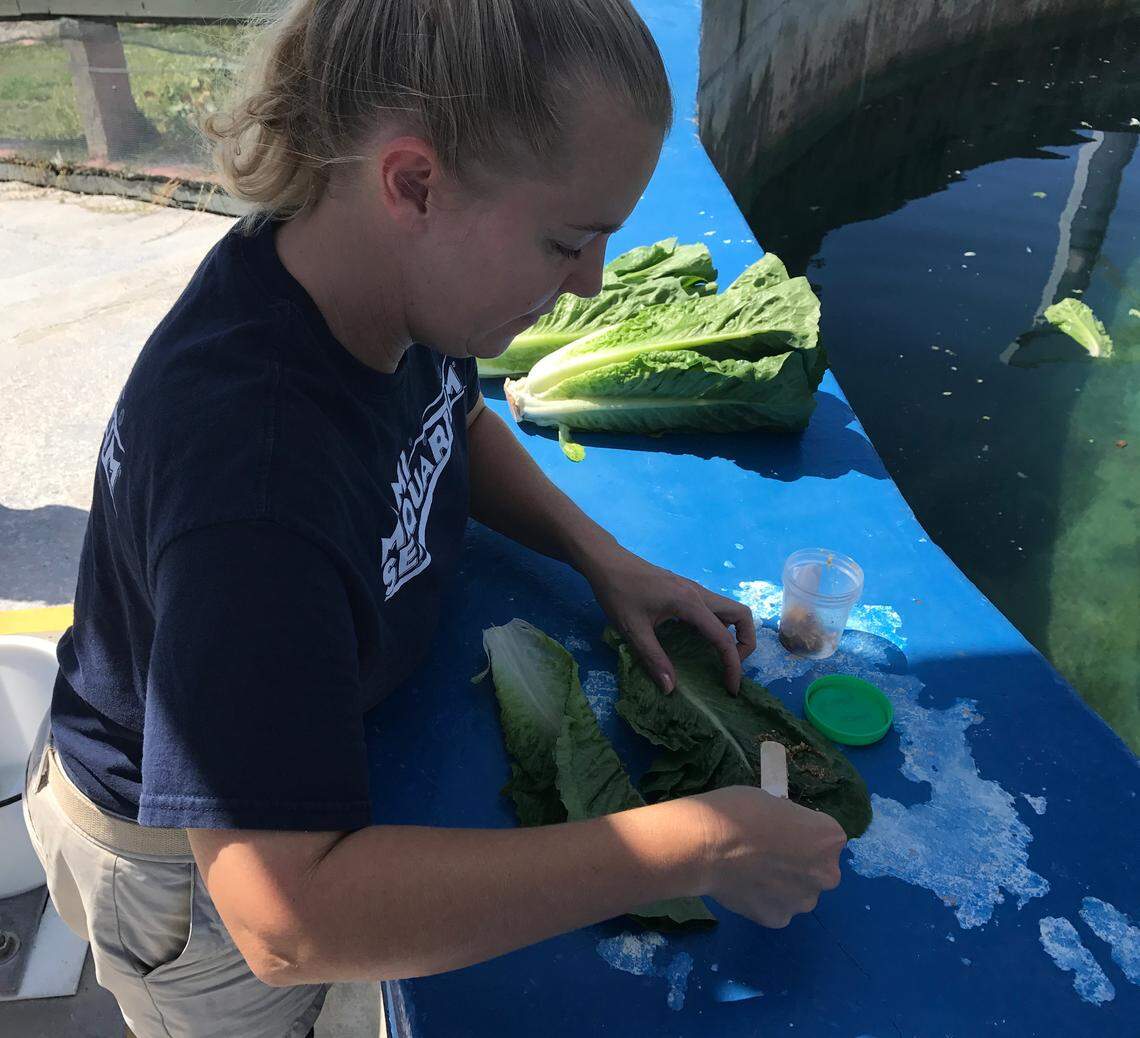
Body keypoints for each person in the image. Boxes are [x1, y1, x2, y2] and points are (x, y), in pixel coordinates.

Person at [21, 1, 846, 1035]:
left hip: (289, 757)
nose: (588, 283)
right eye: (567, 240)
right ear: (413, 182)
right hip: (186, 872)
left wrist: (600, 556)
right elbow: (289, 920)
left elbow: (445, 417)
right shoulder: (255, 486)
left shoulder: (378, 277)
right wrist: (701, 844)